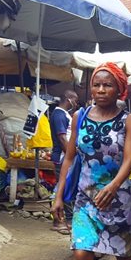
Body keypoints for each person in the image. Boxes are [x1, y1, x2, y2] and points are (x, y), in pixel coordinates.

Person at [52, 62, 131, 260]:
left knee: (123, 257)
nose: (101, 90)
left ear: (119, 89)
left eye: (107, 85)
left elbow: (129, 159)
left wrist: (113, 186)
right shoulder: (79, 116)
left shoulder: (129, 120)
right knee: (81, 256)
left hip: (119, 199)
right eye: (96, 84)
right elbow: (69, 157)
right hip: (85, 199)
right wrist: (58, 193)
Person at [50, 91, 78, 234]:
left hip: (65, 156)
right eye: (75, 100)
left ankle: (64, 219)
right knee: (63, 188)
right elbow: (62, 138)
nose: (76, 103)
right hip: (62, 157)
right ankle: (60, 221)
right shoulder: (59, 115)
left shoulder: (63, 114)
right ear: (69, 99)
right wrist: (71, 154)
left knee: (65, 187)